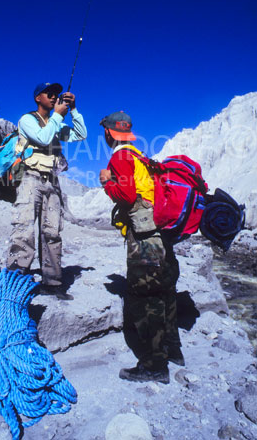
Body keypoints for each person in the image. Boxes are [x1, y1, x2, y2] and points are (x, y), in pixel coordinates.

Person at [99, 111, 184, 384]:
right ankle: (173, 351)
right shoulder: (140, 157)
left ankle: (153, 364)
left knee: (143, 298)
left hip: (146, 239)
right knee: (165, 290)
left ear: (110, 133)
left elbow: (125, 195)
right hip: (162, 235)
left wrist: (106, 182)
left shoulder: (121, 157)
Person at [7, 82, 87, 300]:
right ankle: (15, 281)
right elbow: (42, 138)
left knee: (52, 233)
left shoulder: (56, 123)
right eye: (49, 94)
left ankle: (52, 282)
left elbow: (80, 134)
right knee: (24, 230)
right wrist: (58, 116)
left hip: (52, 182)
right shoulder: (27, 120)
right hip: (30, 179)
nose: (54, 97)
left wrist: (73, 110)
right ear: (37, 98)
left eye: (56, 94)